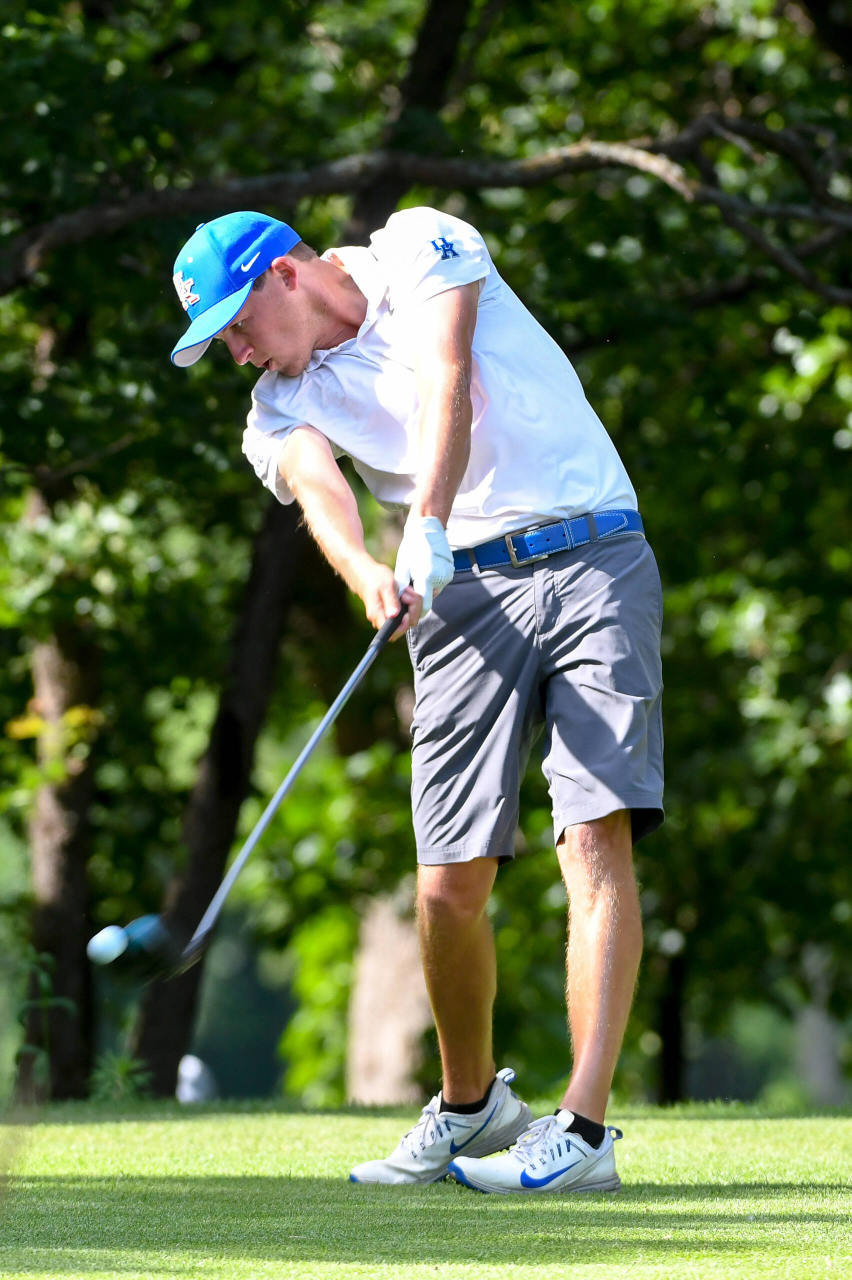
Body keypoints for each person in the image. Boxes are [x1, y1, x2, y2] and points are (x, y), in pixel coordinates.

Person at [169, 206, 663, 1195]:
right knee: (446, 884)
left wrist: (426, 520)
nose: (236, 350)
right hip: (458, 598)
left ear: (286, 275)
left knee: (592, 832)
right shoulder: (277, 403)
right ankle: (472, 1102)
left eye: (236, 323)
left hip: (593, 550)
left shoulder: (419, 245)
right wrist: (366, 574)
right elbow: (318, 486)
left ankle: (583, 1129)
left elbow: (449, 377)